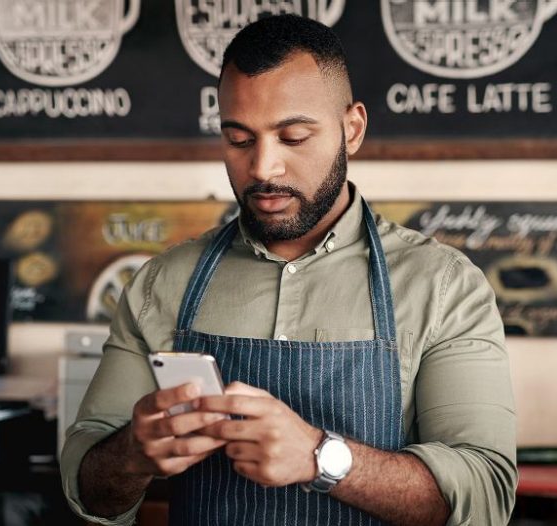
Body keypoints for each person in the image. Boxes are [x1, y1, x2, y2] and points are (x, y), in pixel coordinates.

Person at [60, 14, 516, 526]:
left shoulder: (444, 286)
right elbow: (88, 489)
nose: (262, 168)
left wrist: (321, 458)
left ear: (353, 129)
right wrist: (132, 454)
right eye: (238, 140)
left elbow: (485, 497)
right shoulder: (160, 284)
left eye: (294, 137)